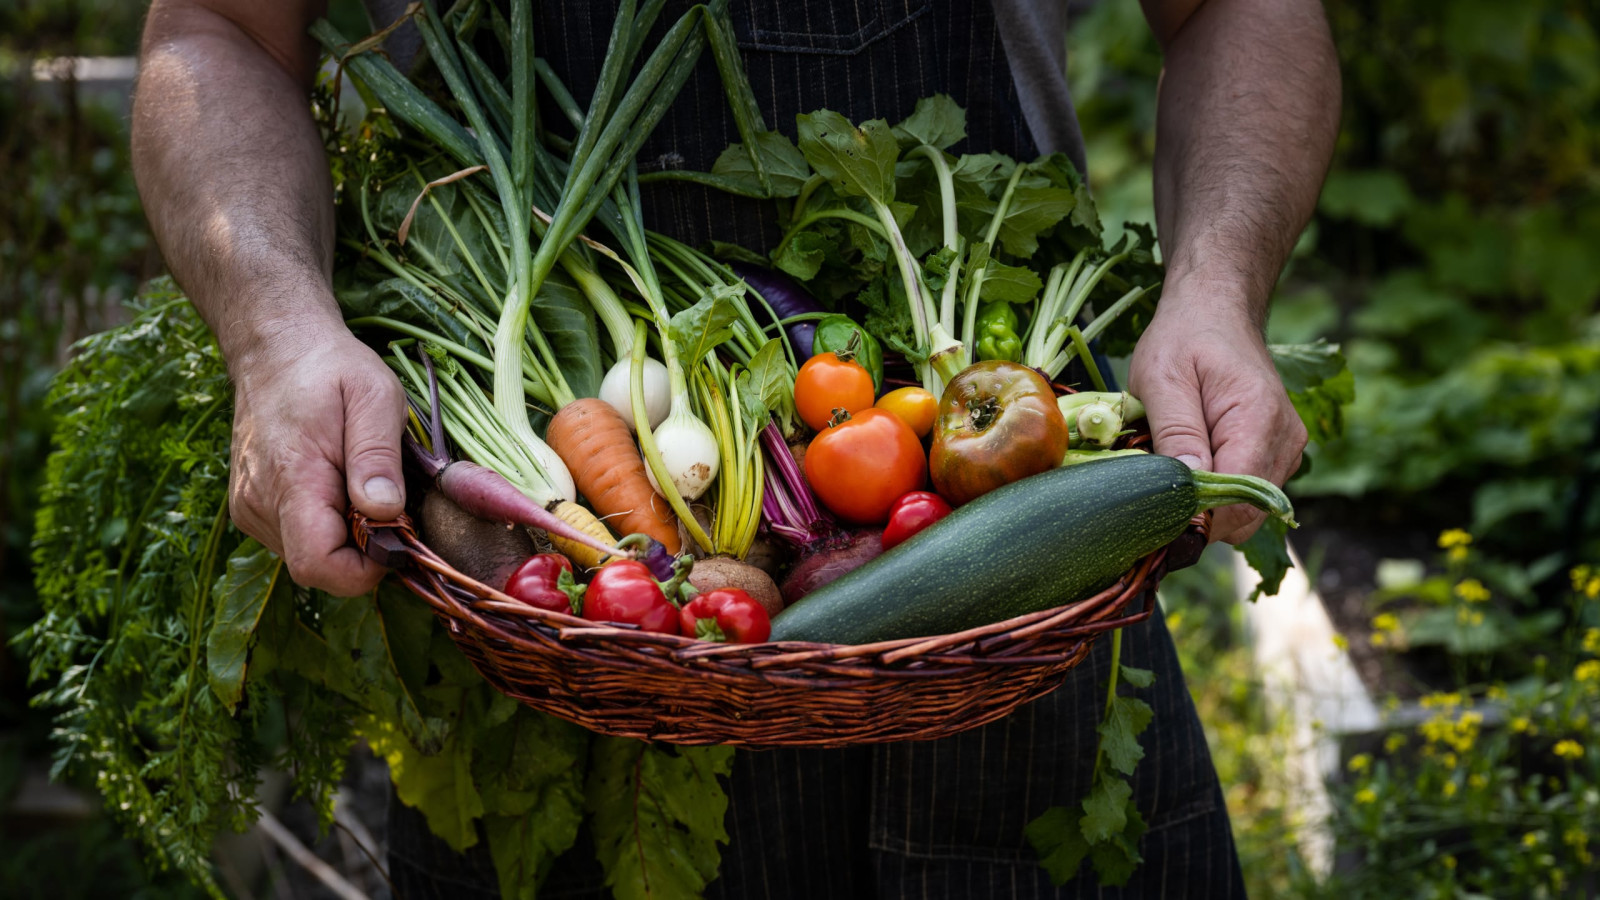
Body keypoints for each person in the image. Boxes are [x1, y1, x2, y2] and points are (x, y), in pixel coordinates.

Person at [132, 0, 1337, 896]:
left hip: (1016, 579)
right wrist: (278, 336)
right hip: (562, 646)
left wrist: (1217, 290)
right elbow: (216, 30)